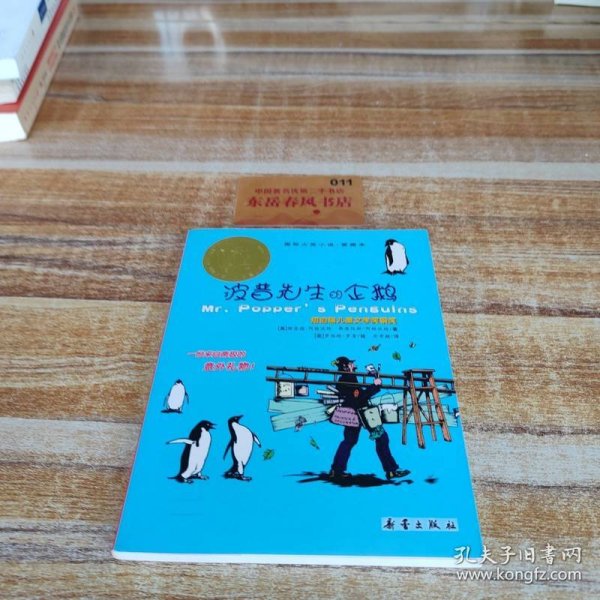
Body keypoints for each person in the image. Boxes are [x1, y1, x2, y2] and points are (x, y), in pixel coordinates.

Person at [329, 356, 410, 481]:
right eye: (351, 364)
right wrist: (375, 385)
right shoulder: (348, 378)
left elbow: (357, 395)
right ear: (346, 366)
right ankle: (391, 470)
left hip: (353, 413)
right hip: (364, 413)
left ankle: (336, 471)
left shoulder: (345, 378)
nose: (354, 365)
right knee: (381, 438)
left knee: (349, 441)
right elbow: (360, 396)